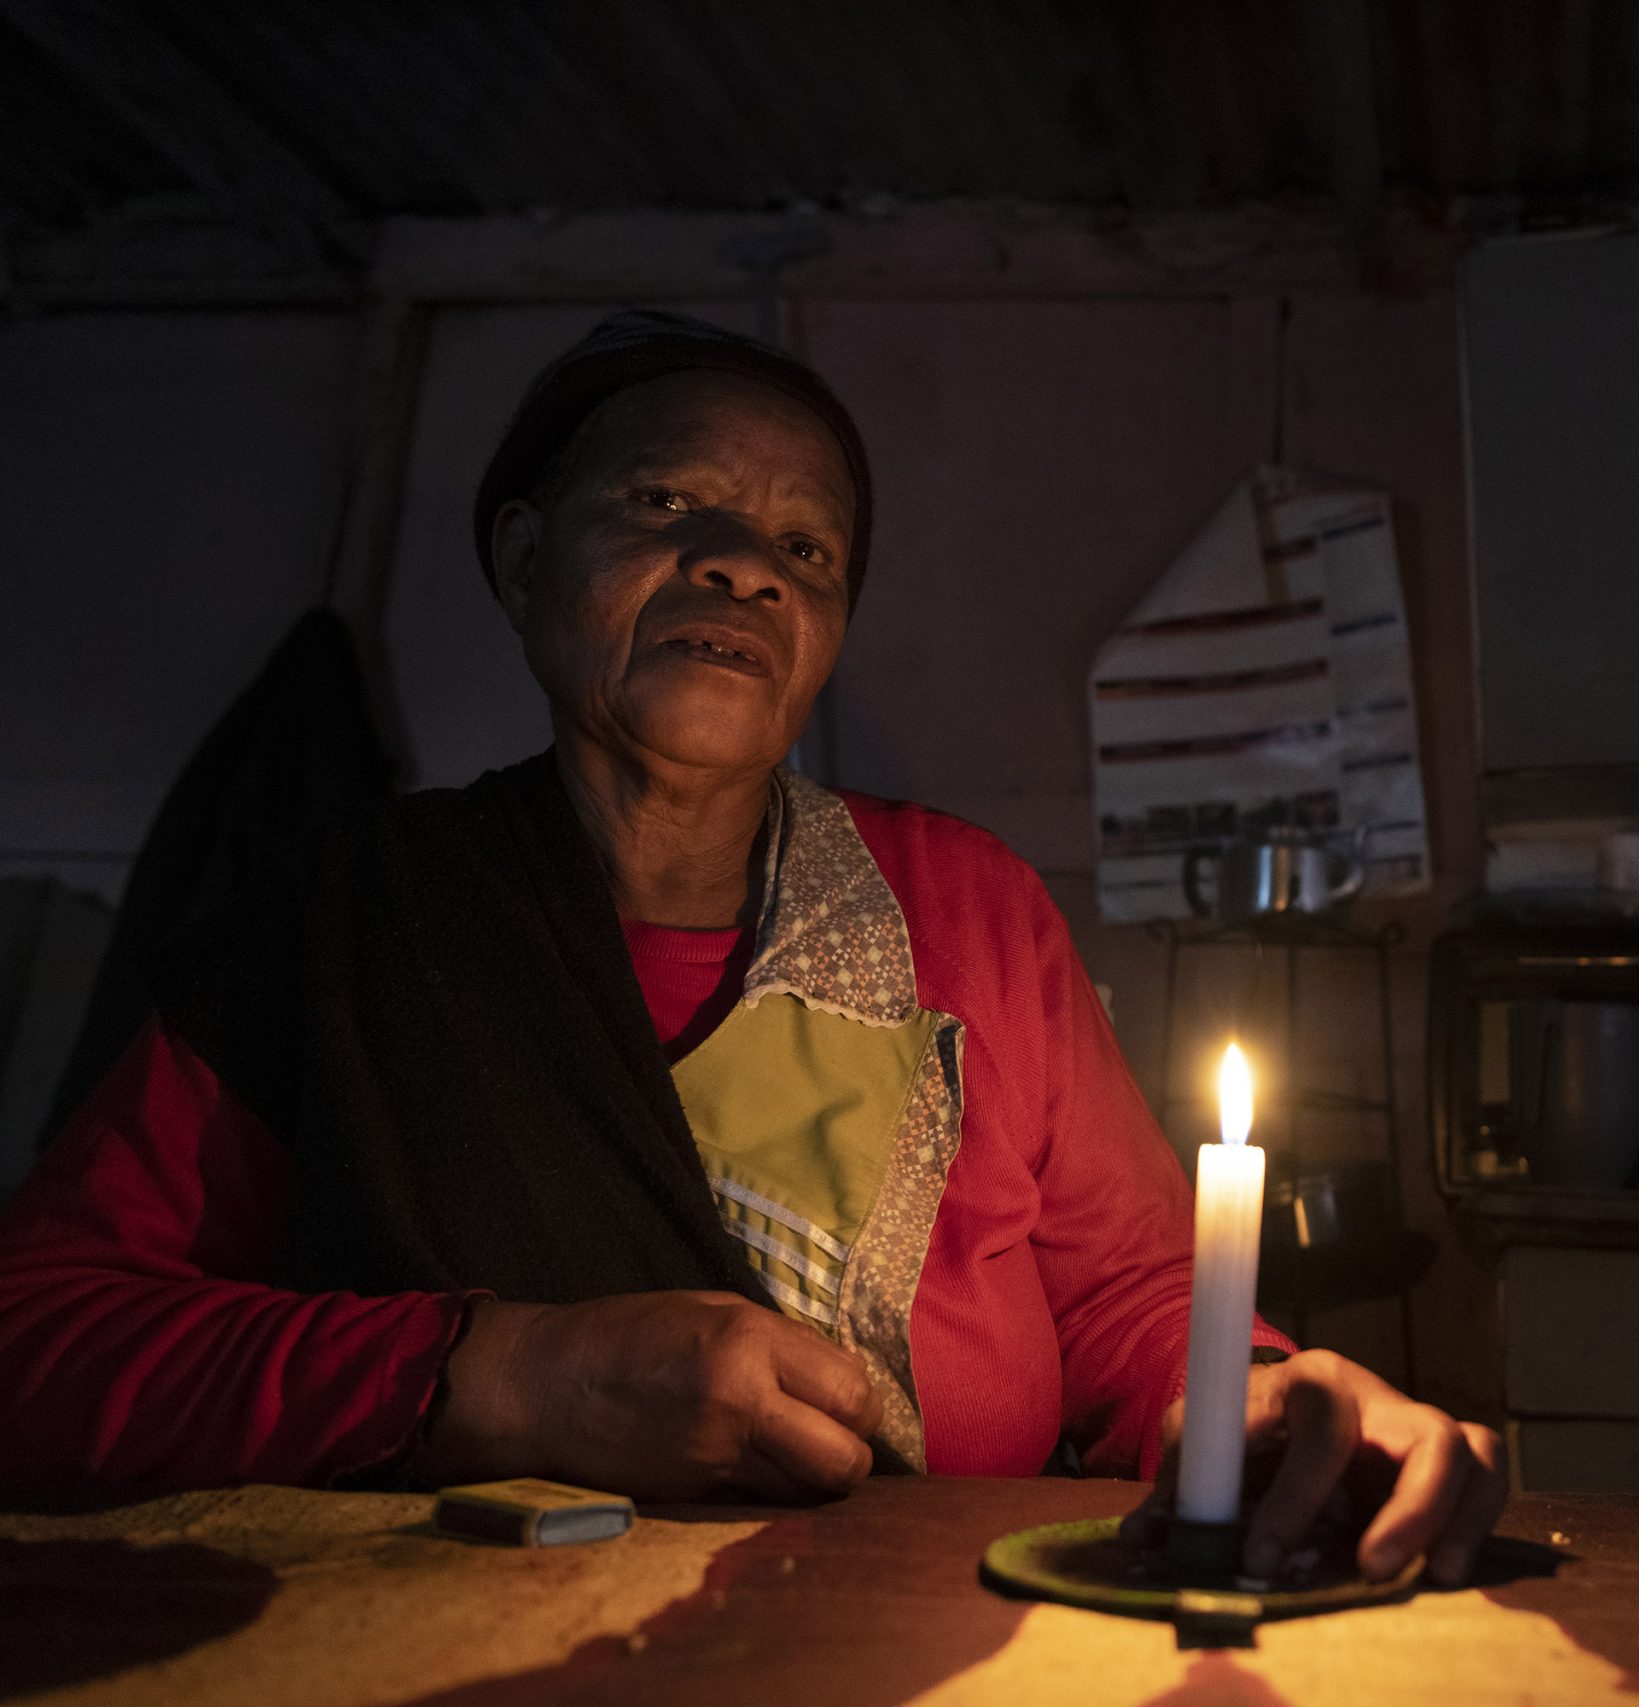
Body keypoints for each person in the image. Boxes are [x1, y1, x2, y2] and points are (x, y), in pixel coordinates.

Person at [0, 312, 1504, 1587]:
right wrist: (514, 1376)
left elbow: (1126, 1303)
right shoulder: (338, 924)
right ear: (524, 561)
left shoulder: (968, 910)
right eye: (665, 504)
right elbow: (39, 1343)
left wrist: (1259, 1400)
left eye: (806, 544)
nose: (744, 566)